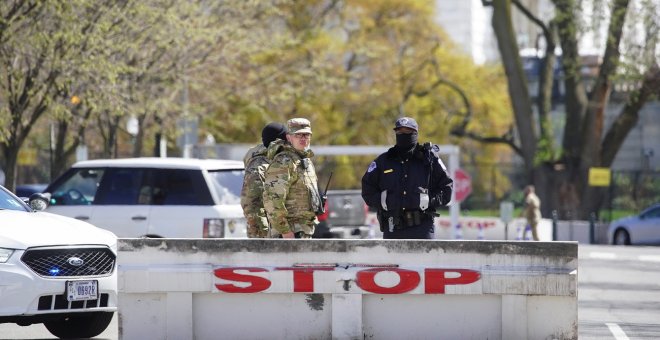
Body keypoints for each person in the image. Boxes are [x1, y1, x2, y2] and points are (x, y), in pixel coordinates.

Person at [361, 117, 453, 239]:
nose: (403, 135)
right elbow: (367, 188)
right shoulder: (383, 161)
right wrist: (384, 202)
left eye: (408, 132)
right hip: (392, 228)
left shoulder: (429, 160)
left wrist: (428, 200)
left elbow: (447, 188)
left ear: (416, 134)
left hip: (422, 228)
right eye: (399, 132)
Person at [262, 118, 323, 239]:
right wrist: (285, 231)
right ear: (289, 137)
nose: (303, 138)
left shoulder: (305, 161)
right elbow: (272, 201)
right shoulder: (284, 162)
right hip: (288, 235)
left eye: (306, 134)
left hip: (303, 231)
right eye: (298, 135)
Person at [240, 122, 288, 238]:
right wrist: (264, 237)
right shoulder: (259, 166)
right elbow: (252, 206)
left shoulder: (277, 161)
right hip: (266, 237)